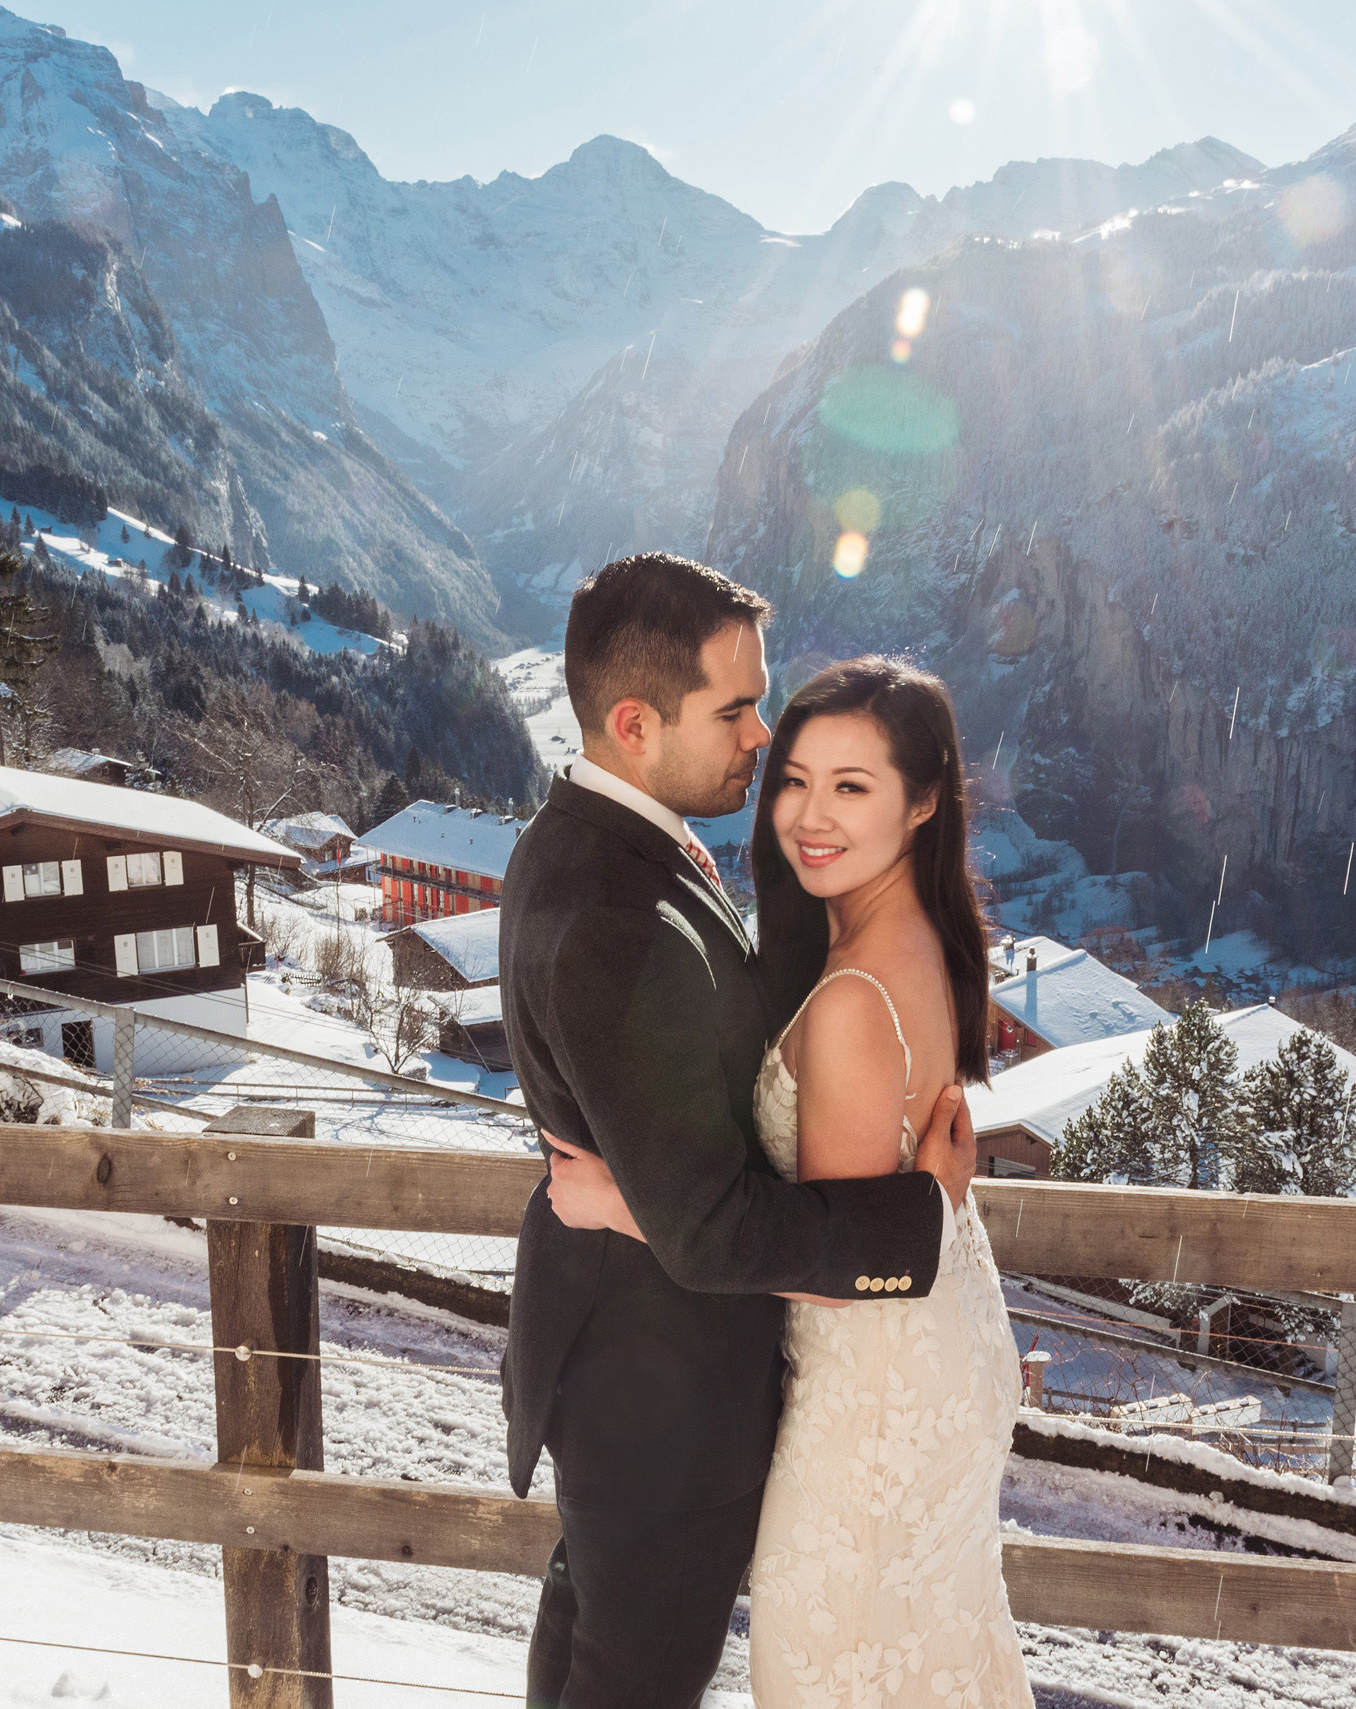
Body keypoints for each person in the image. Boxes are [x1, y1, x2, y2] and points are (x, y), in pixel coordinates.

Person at [499, 555, 980, 1709]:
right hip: (661, 1397)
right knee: (633, 1681)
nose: (760, 735)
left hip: (628, 1370)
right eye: (735, 709)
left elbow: (701, 1077)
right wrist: (921, 1217)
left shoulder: (600, 838)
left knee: (593, 1656)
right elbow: (710, 1229)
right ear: (633, 722)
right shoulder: (618, 914)